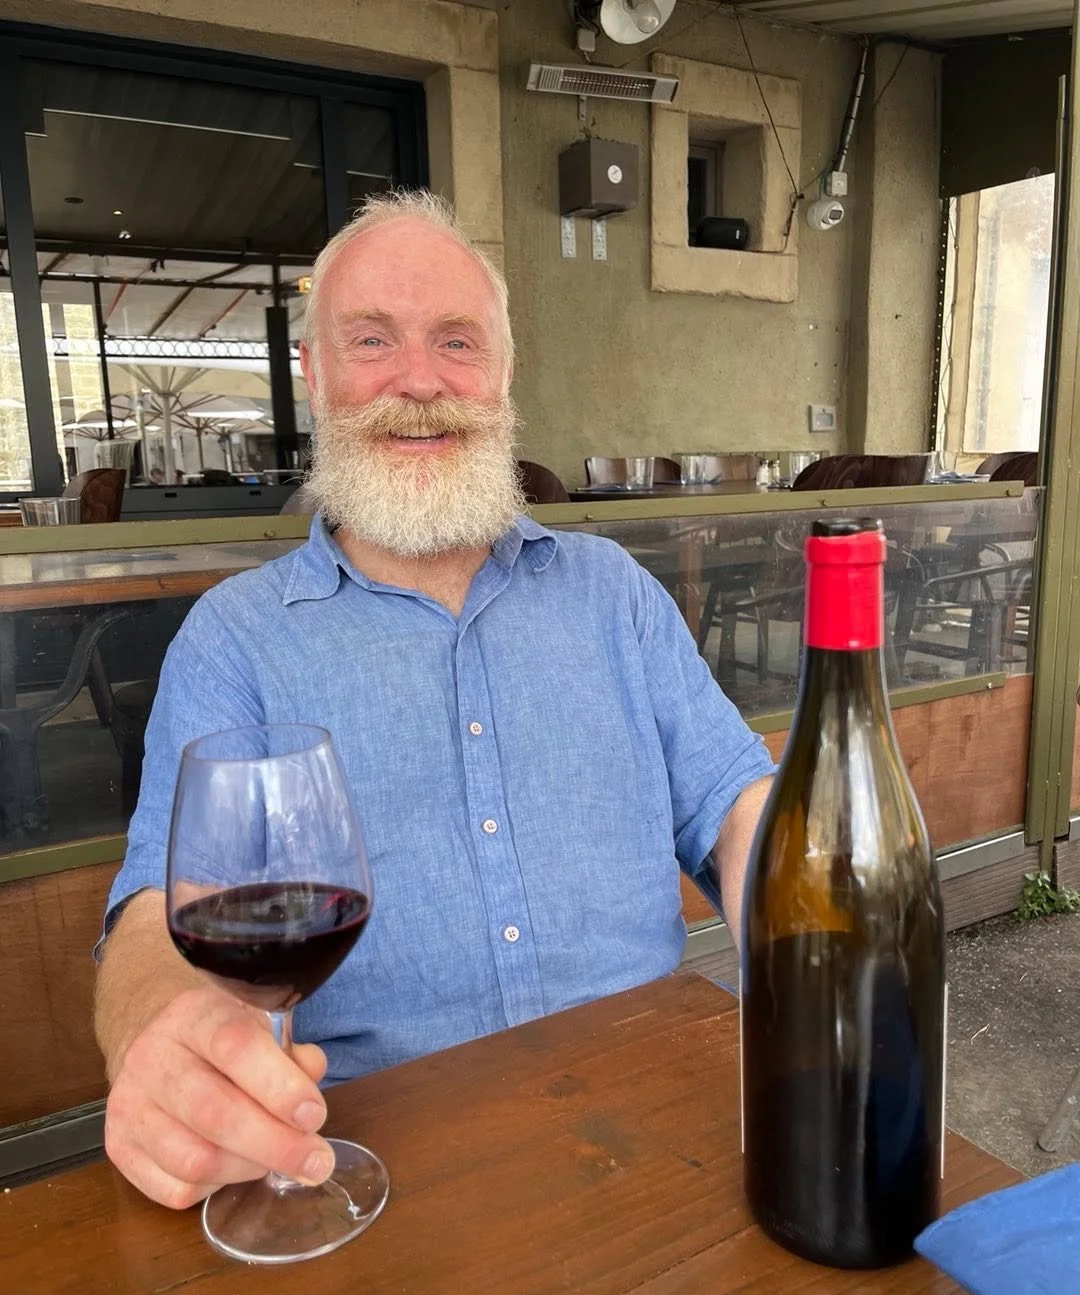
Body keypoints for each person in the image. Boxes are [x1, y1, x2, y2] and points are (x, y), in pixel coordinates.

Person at [94, 190, 775, 1211]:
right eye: (373, 339)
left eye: (457, 341)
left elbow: (735, 806)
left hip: (660, 1124)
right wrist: (162, 1037)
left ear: (503, 375)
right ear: (315, 378)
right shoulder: (238, 638)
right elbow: (156, 915)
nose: (420, 381)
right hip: (376, 1167)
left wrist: (826, 923)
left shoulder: (613, 595)